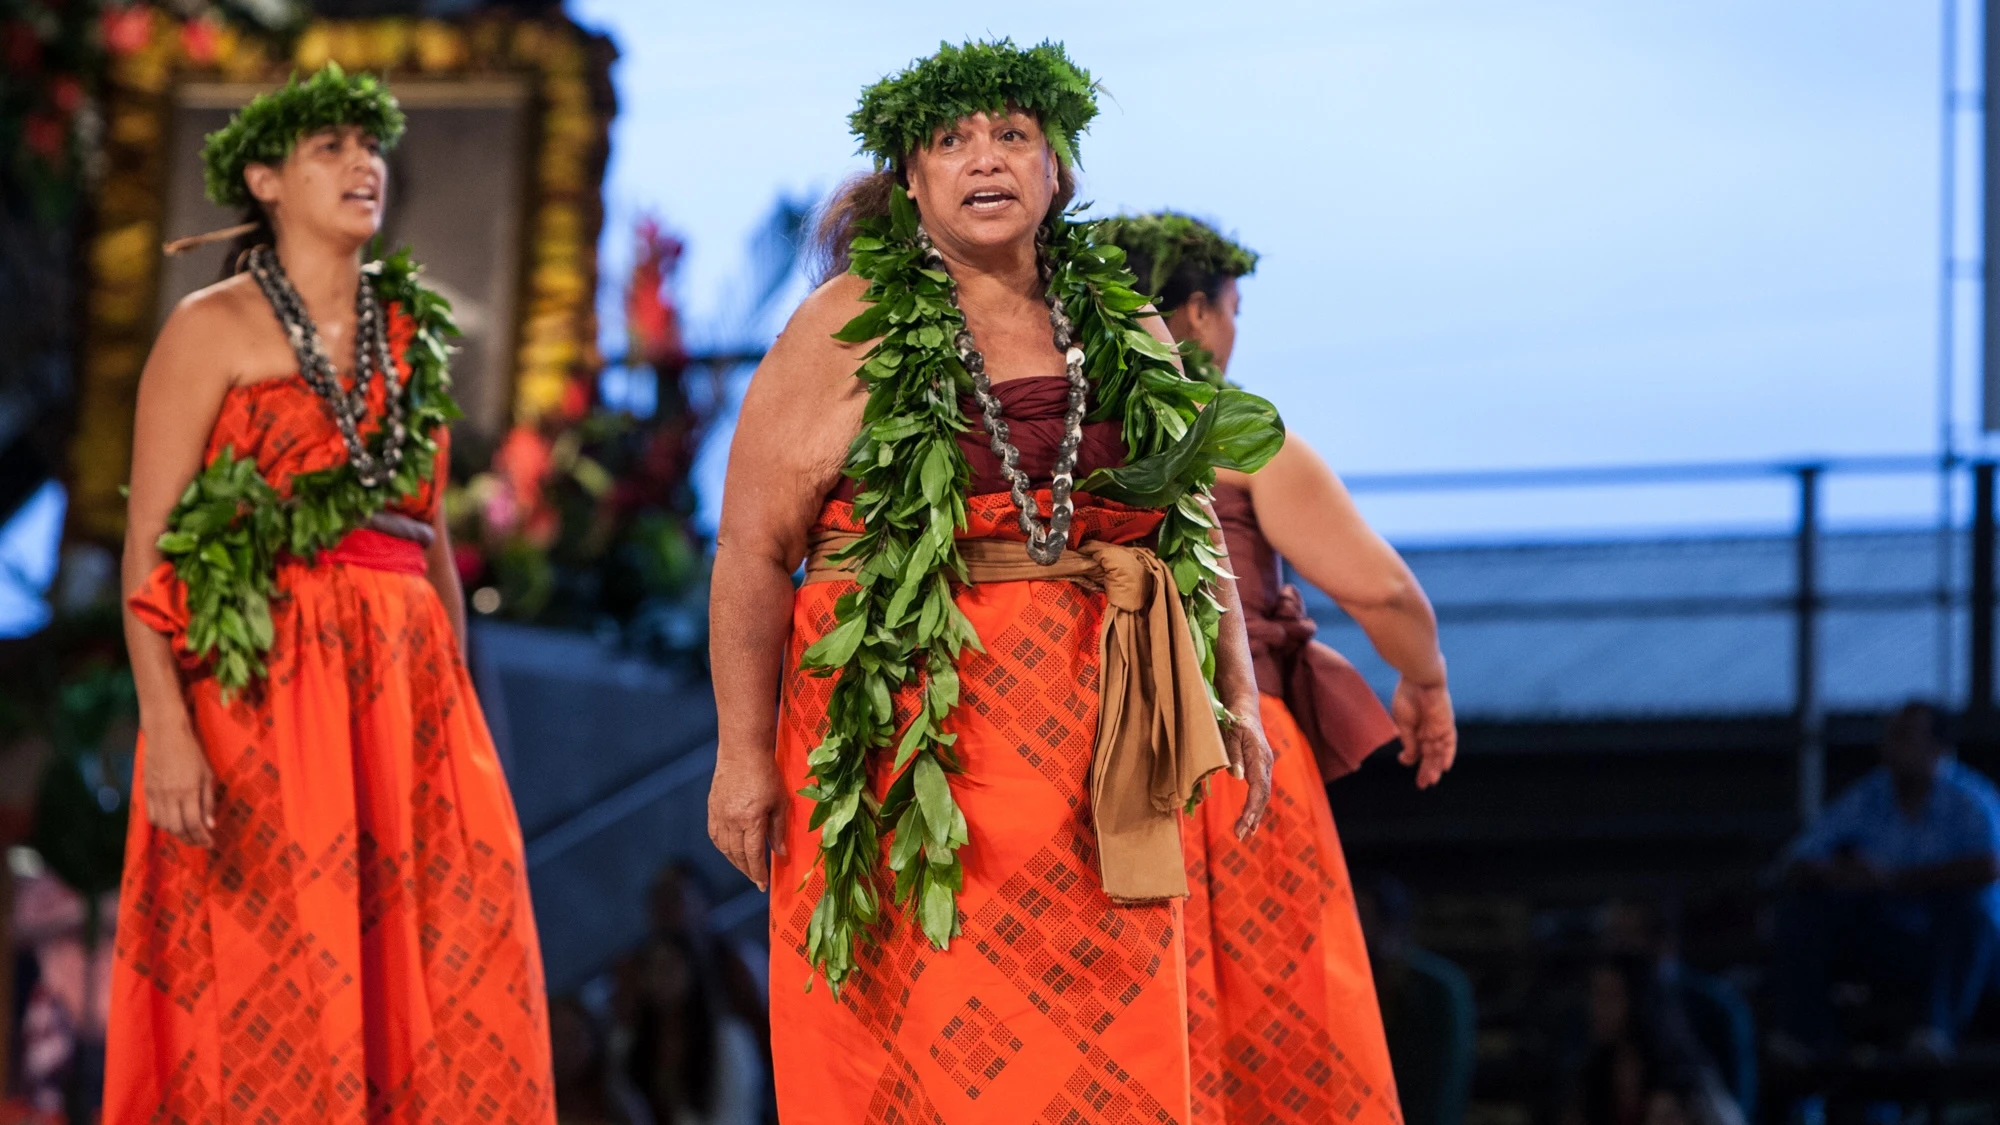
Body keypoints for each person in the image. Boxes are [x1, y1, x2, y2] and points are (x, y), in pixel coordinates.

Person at [705, 41, 1283, 1124]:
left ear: (1055, 169)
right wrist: (741, 758)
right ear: (911, 179)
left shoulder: (1124, 321)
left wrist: (1236, 692)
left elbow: (1186, 523)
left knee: (1100, 1033)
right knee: (928, 1016)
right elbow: (749, 551)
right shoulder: (843, 324)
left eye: (1012, 136)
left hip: (1094, 738)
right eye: (951, 141)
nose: (985, 160)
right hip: (915, 735)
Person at [106, 65, 554, 1122]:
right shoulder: (208, 329)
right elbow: (146, 547)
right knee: (278, 963)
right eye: (331, 150)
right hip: (264, 689)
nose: (364, 167)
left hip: (406, 692)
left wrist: (458, 711)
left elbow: (430, 536)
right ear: (263, 178)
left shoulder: (412, 337)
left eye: (371, 148)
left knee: (451, 952)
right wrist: (166, 725)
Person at [1097, 211, 1458, 1122]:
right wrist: (1427, 683)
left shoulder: (1061, 443)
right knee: (1280, 1029)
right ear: (1195, 315)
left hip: (1097, 766)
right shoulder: (1237, 436)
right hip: (1233, 754)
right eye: (1231, 309)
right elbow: (1384, 594)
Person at [1773, 700, 2000, 1058]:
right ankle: (1804, 1038)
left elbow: (1988, 866)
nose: (1890, 745)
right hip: (1891, 942)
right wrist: (1841, 875)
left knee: (1968, 910)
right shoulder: (1868, 795)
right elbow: (1797, 861)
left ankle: (1933, 1034)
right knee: (1806, 911)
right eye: (1890, 735)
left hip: (1963, 952)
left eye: (1905, 736)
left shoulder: (1971, 800)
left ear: (1939, 749)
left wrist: (1893, 880)